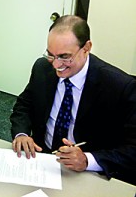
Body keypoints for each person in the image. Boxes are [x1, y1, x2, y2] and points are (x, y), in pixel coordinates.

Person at [10, 15, 136, 185]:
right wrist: (22, 134)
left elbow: (132, 148)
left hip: (86, 172)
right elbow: (24, 105)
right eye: (51, 55)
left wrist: (87, 160)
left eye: (64, 56)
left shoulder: (119, 86)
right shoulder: (42, 68)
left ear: (86, 48)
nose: (56, 65)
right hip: (41, 158)